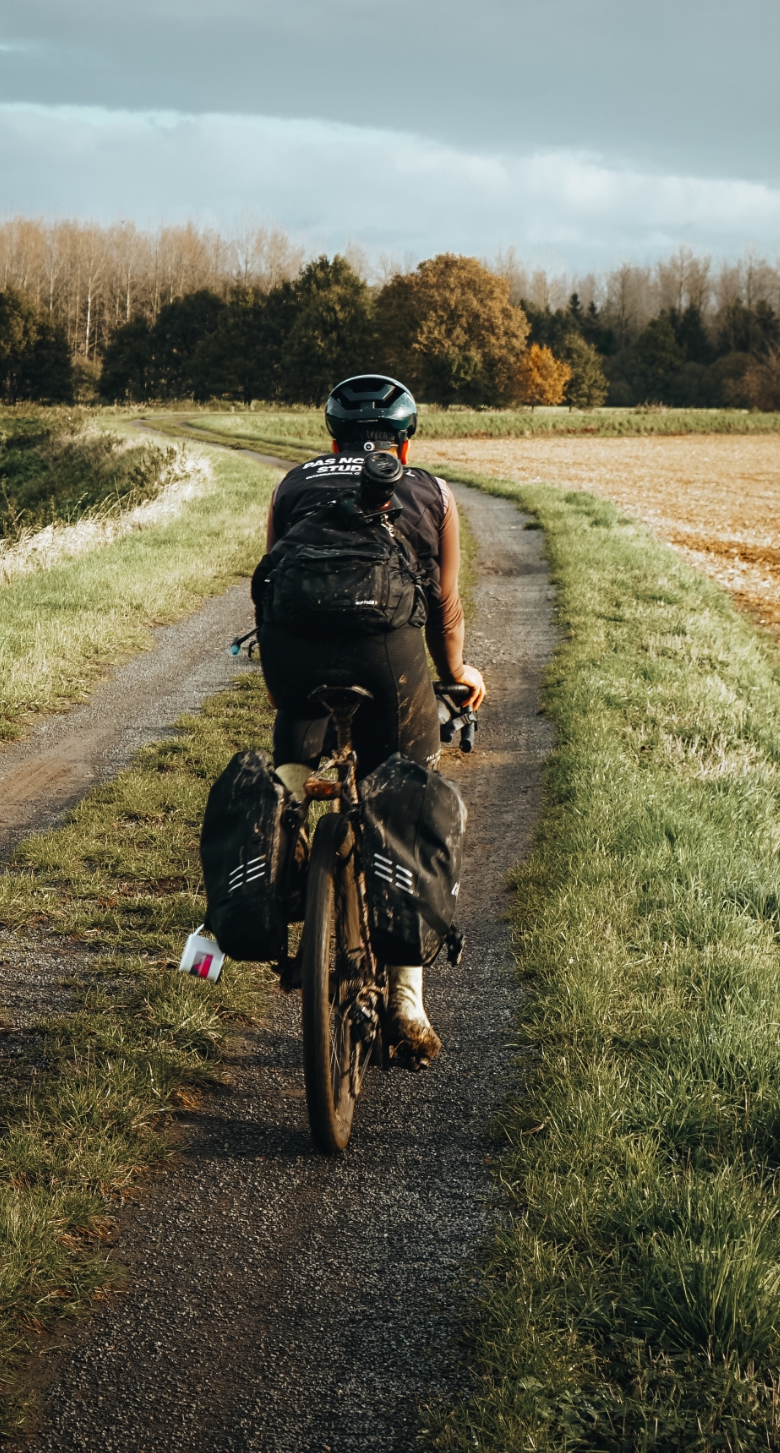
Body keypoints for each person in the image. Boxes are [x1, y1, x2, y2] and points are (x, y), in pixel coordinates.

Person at [256, 373, 482, 1064]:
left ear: (331, 436)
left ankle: (281, 851)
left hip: (293, 656)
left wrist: (286, 685)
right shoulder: (432, 493)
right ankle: (408, 1002)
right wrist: (457, 680)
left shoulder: (293, 483)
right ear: (404, 445)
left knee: (292, 756)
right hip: (387, 660)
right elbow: (443, 611)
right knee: (408, 792)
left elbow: (270, 582)